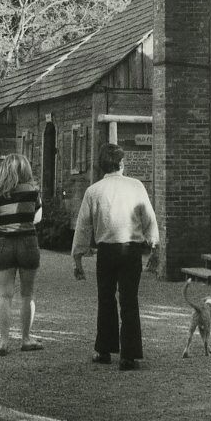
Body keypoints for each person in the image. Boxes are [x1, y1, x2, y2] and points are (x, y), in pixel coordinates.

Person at [72, 144, 159, 372]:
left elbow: (83, 226)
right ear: (121, 163)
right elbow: (148, 218)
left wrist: (77, 257)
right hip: (131, 249)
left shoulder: (94, 191)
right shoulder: (136, 186)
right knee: (129, 300)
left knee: (106, 298)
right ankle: (129, 355)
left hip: (106, 251)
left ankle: (104, 350)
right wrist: (154, 245)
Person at [0, 153, 43, 356]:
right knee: (27, 294)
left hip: (4, 244)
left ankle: (3, 341)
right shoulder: (33, 190)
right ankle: (26, 338)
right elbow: (37, 218)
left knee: (4, 295)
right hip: (28, 242)